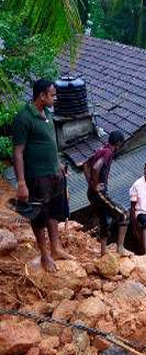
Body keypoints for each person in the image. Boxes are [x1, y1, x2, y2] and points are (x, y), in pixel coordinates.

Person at [12, 79, 72, 272]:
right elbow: (18, 153)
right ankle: (45, 255)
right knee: (39, 215)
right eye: (52, 95)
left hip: (54, 174)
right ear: (42, 96)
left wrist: (59, 164)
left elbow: (49, 143)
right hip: (37, 177)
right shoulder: (23, 118)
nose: (55, 98)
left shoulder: (46, 114)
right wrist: (21, 182)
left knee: (54, 212)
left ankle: (56, 249)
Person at [84, 131, 130, 256]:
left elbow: (86, 166)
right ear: (119, 143)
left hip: (92, 193)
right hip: (99, 194)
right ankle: (120, 248)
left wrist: (90, 184)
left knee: (104, 220)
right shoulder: (108, 152)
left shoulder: (101, 149)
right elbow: (95, 167)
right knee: (124, 215)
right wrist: (95, 186)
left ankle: (103, 251)